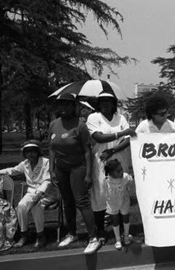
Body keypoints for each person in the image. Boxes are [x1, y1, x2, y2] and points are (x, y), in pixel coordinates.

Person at [48, 93, 100, 254]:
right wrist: (51, 169)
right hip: (61, 168)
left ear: (73, 107)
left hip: (78, 168)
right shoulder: (53, 124)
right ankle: (72, 233)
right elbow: (52, 148)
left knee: (81, 201)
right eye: (60, 105)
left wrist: (88, 174)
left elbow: (87, 151)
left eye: (67, 105)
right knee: (67, 202)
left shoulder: (80, 125)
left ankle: (93, 238)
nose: (63, 108)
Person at [0, 140, 59, 248]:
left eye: (33, 151)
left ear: (38, 152)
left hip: (48, 193)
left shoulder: (46, 162)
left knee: (36, 207)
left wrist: (40, 193)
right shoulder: (25, 164)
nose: (30, 154)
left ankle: (40, 236)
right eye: (27, 152)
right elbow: (12, 170)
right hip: (31, 193)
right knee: (21, 207)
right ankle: (24, 235)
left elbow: (47, 180)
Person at [86, 91, 136, 243]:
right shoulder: (93, 117)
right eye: (102, 101)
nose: (105, 104)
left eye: (108, 101)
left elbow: (128, 139)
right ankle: (101, 230)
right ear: (98, 104)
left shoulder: (120, 118)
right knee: (101, 193)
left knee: (120, 193)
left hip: (119, 157)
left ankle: (121, 228)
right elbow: (98, 137)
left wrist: (113, 150)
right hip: (101, 160)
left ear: (113, 103)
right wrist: (119, 134)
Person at [103, 159, 135, 250]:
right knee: (115, 220)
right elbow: (104, 191)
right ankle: (117, 239)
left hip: (124, 200)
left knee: (126, 217)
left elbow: (130, 182)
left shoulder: (125, 177)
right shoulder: (106, 180)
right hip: (112, 203)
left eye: (121, 169)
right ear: (110, 173)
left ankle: (126, 236)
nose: (121, 172)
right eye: (118, 171)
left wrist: (128, 189)